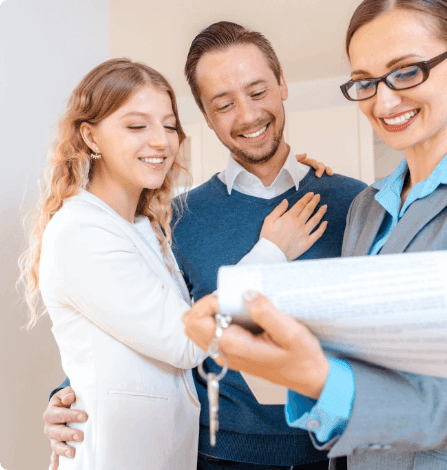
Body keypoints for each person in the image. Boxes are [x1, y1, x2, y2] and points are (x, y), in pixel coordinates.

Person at [182, 1, 447, 469]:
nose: (384, 103)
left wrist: (318, 377)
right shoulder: (369, 206)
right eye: (365, 82)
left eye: (407, 71)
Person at [42, 23, 367, 470]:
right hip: (213, 457)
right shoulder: (174, 219)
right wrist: (68, 392)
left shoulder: (355, 202)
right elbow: (144, 322)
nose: (248, 115)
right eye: (224, 104)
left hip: (335, 455)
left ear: (283, 85)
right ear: (205, 115)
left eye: (257, 91)